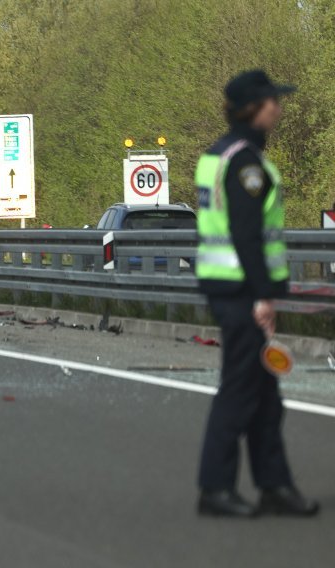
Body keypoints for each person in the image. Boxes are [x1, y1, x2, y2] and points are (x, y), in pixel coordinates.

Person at [194, 70, 319, 517]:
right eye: (272, 102)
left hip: (231, 286)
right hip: (241, 289)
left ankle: (275, 485)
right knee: (241, 390)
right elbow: (246, 235)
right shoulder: (245, 162)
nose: (279, 109)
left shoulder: (220, 155)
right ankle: (215, 489)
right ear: (254, 107)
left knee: (266, 396)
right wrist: (263, 298)